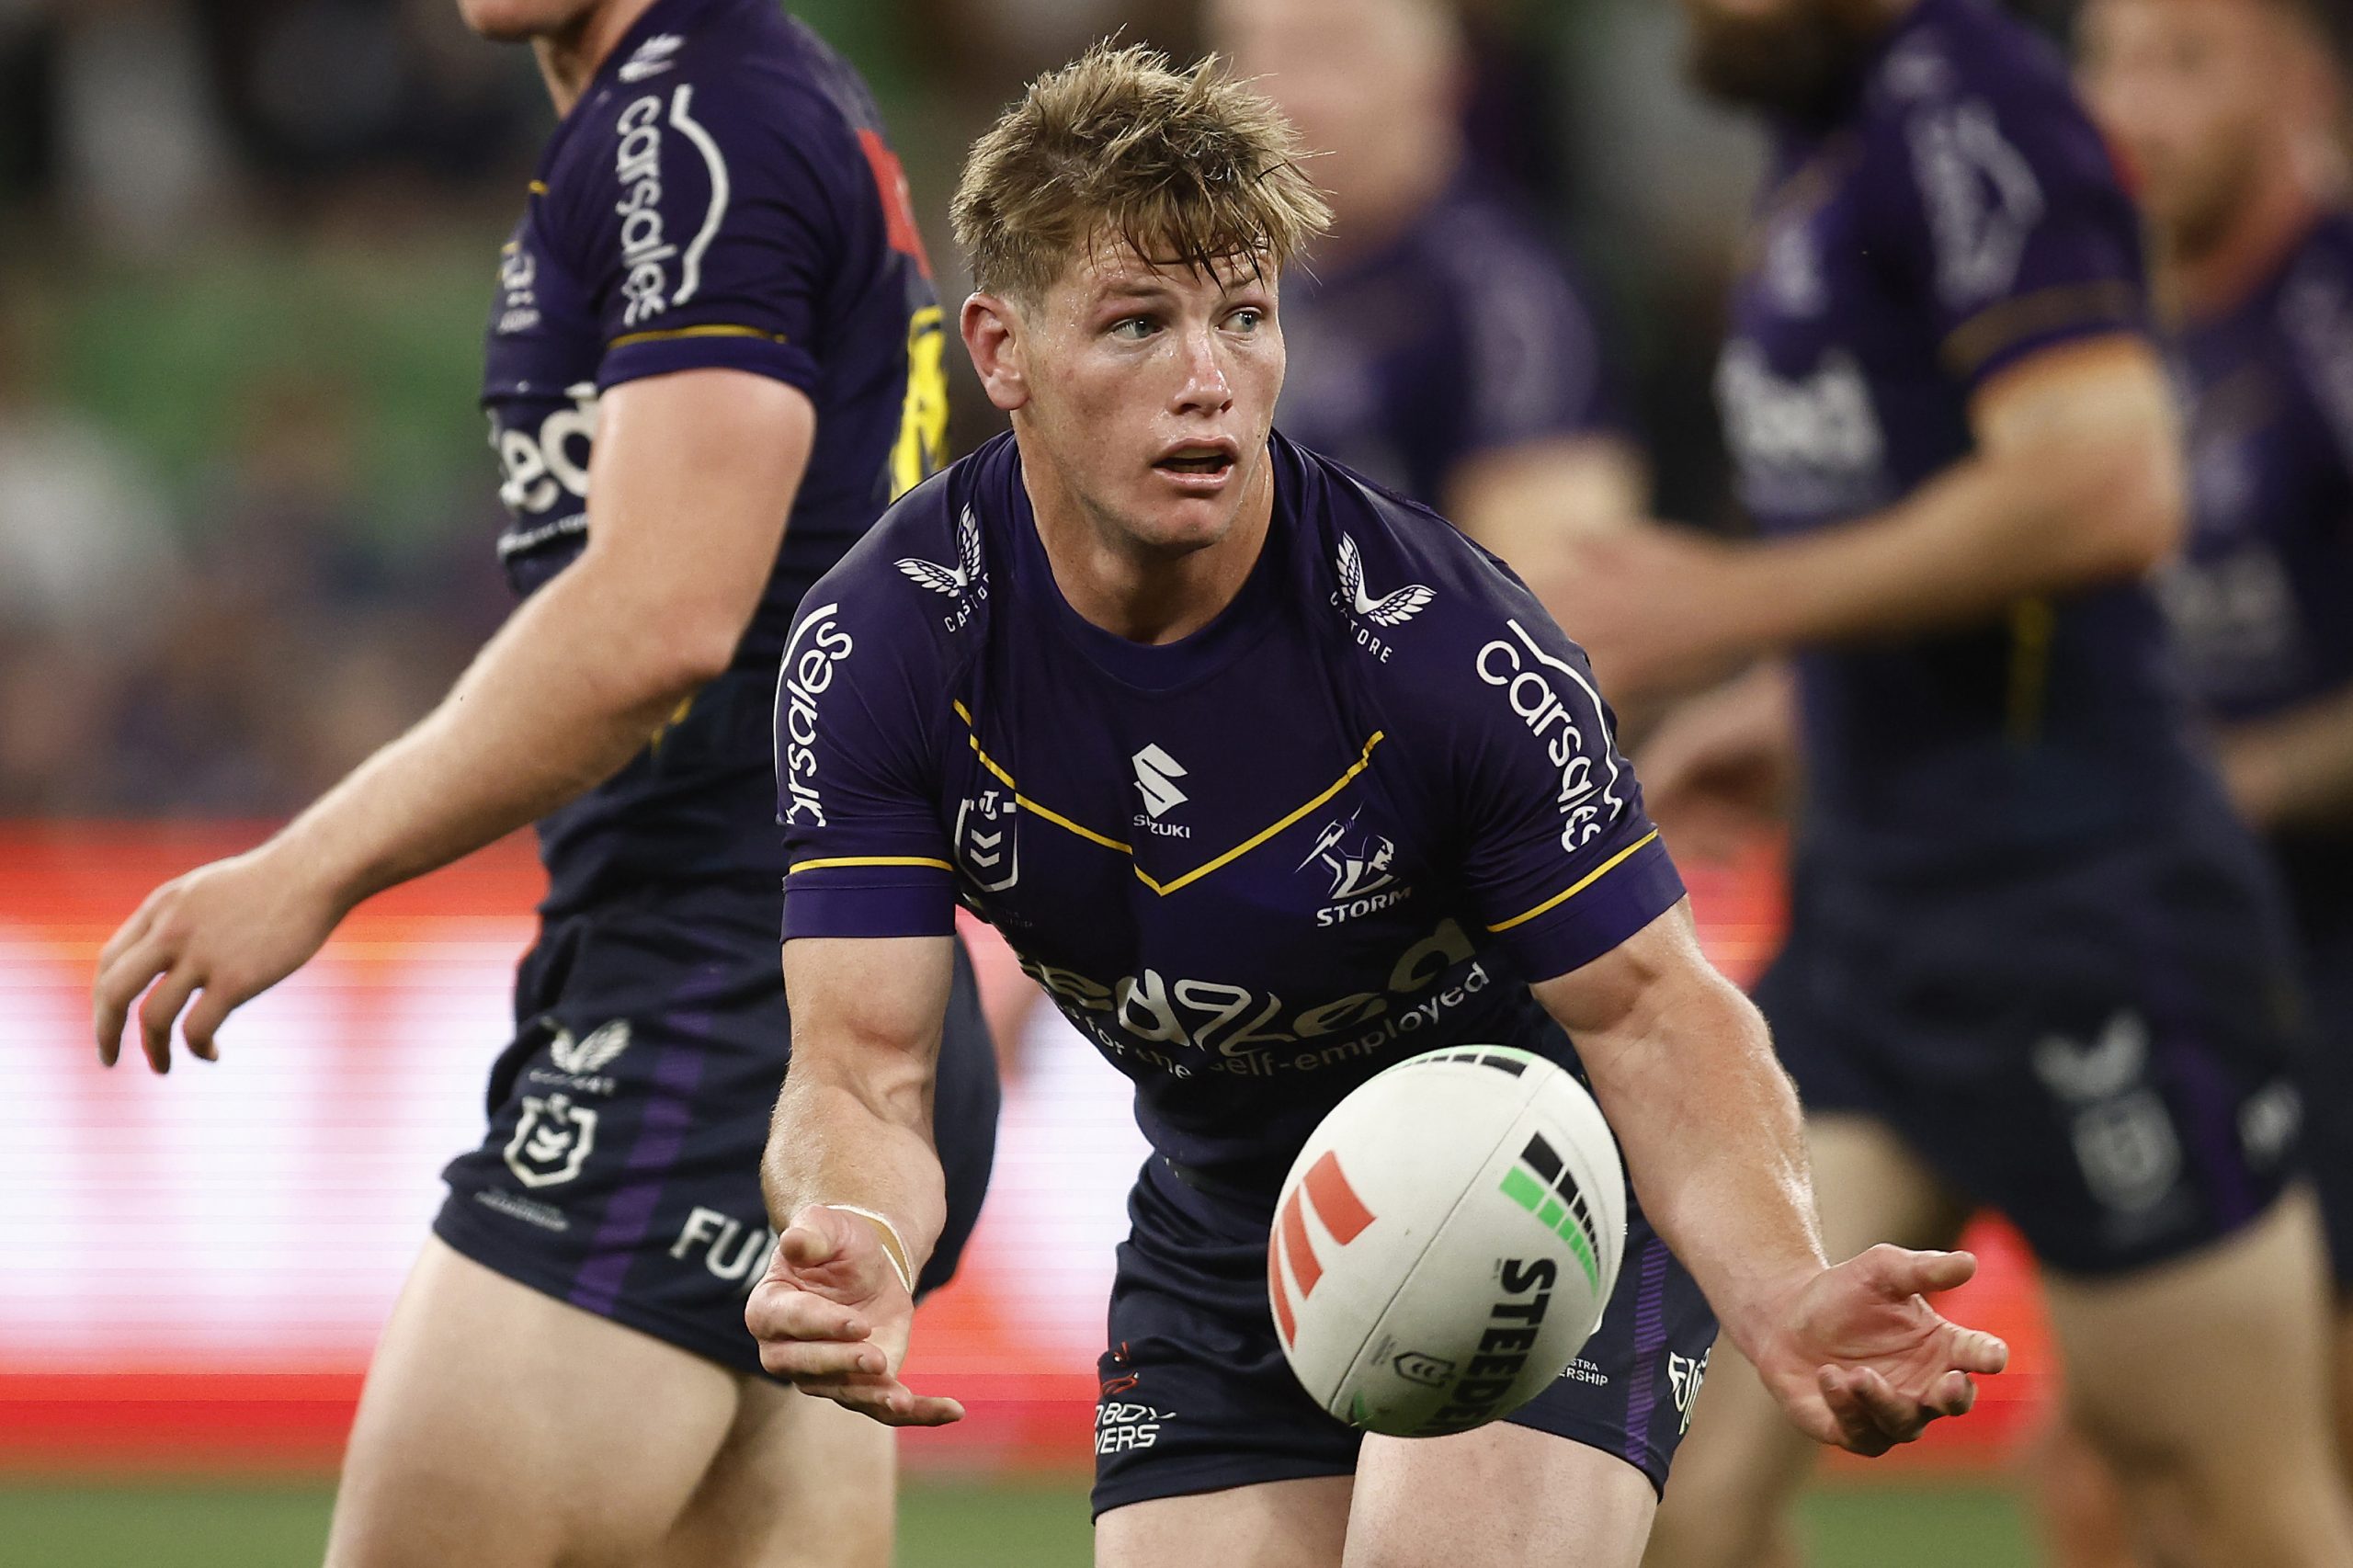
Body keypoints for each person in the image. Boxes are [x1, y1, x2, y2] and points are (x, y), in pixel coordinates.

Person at [739, 44, 2006, 1568]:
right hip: (1228, 1225)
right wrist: (858, 1243)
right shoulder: (881, 646)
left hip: (1533, 1174)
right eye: (1138, 325)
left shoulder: (1446, 648)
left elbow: (1656, 1013)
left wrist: (1785, 1284)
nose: (1207, 377)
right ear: (1000, 348)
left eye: (1245, 317)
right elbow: (866, 1076)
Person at [87, 1, 999, 1564]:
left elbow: (658, 617)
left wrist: (305, 866)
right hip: (795, 985)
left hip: (718, 1006)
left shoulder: (694, 118)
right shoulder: (714, 105)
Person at [1560, 1, 2353, 1564]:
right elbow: (1930, 493)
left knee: (2213, 1507)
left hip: (2093, 922)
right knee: (1659, 1493)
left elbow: (2108, 481)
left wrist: (1733, 604)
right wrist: (1794, 691)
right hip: (1871, 926)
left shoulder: (1977, 103)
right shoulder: (1823, 126)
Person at [2066, 0, 2353, 1555]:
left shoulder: (2327, 317)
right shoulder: (2089, 334)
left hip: (2329, 949)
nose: (2132, 103)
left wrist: (2235, 779)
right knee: (2108, 1474)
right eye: (2109, 60)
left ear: (2297, 85)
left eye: (2184, 59)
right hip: (2168, 953)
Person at [1206, 0, 1645, 573]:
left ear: (1440, 79)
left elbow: (1553, 612)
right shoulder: (1206, 271)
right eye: (1252, 51)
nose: (1280, 97)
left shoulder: (1509, 301)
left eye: (1326, 53)